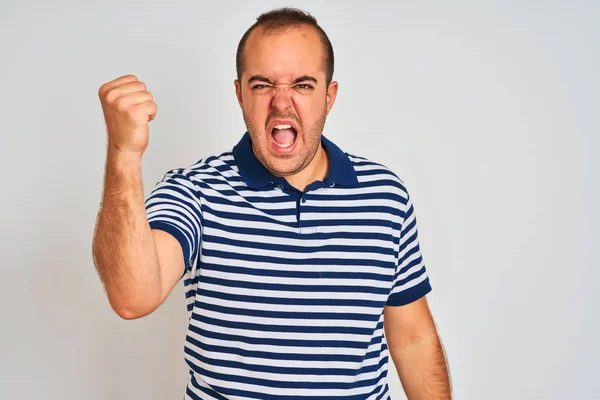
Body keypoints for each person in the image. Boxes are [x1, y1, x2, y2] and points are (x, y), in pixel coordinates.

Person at [92, 7, 452, 400]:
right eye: (262, 85)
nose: (282, 103)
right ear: (239, 94)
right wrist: (123, 154)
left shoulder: (385, 195)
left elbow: (414, 338)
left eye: (303, 84)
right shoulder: (195, 191)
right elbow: (132, 297)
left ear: (329, 97)